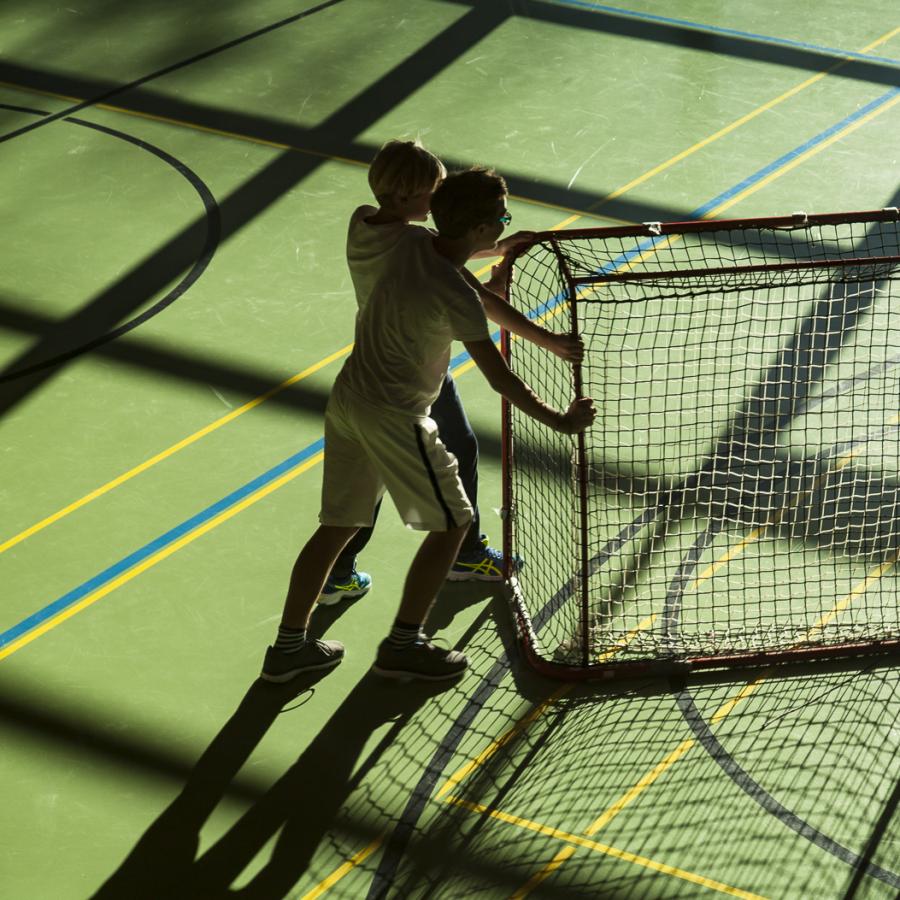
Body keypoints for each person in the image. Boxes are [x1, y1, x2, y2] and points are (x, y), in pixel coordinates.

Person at [260, 165, 595, 683]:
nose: (505, 224)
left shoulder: (412, 244)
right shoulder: (453, 290)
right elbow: (501, 378)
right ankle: (404, 644)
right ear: (483, 230)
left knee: (337, 526)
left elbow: (480, 295)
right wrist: (560, 420)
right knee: (455, 524)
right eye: (503, 218)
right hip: (395, 414)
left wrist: (520, 301)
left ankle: (286, 649)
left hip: (348, 399)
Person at [319, 139, 583, 606]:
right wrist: (550, 341)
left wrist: (493, 244)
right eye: (432, 194)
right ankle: (465, 554)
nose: (437, 202)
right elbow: (475, 298)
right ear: (407, 199)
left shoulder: (362, 221)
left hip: (380, 356)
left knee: (372, 472)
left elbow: (442, 251)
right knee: (456, 449)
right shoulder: (418, 246)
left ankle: (340, 569)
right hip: (411, 364)